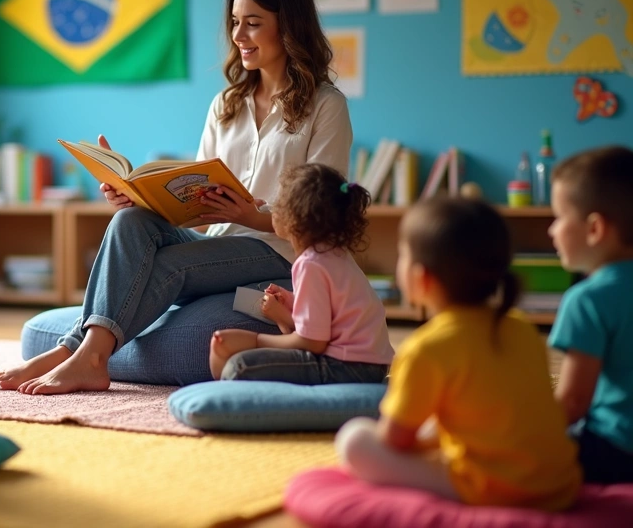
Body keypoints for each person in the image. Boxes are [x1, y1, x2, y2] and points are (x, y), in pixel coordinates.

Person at [0, 0, 353, 393]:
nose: (239, 35)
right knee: (129, 222)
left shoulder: (326, 106)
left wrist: (251, 217)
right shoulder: (226, 104)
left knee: (168, 264)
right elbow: (199, 207)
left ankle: (83, 353)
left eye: (253, 23)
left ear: (289, 27)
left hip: (280, 253)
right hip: (217, 244)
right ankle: (82, 351)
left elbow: (323, 218)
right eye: (235, 22)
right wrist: (140, 198)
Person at [336, 199, 580, 511]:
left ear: (422, 278)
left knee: (355, 440)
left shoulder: (426, 348)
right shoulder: (521, 328)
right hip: (558, 483)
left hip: (497, 489)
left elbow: (395, 440)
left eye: (403, 253)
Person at [208, 164, 392, 383]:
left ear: (297, 218)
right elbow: (329, 317)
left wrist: (255, 340)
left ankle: (225, 397)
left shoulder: (310, 264)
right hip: (370, 364)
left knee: (239, 366)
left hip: (347, 366)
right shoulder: (334, 253)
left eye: (278, 203)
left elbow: (312, 343)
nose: (271, 208)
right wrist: (290, 304)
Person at [547, 146, 633, 483]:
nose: (552, 231)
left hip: (616, 450)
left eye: (558, 218)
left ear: (595, 229)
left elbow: (572, 403)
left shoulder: (588, 299)